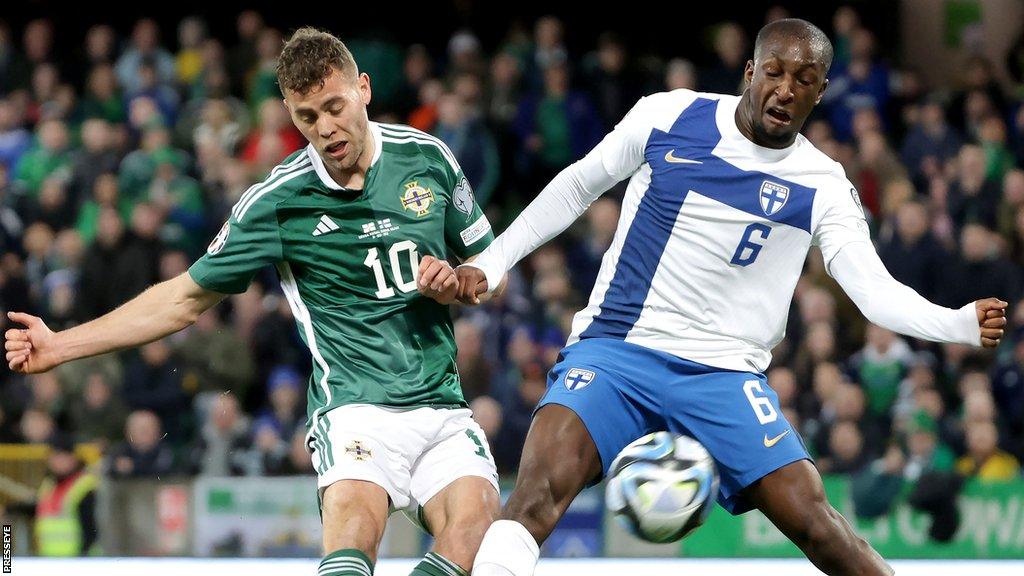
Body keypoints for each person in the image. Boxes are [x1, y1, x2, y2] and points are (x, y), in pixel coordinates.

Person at [456, 19, 1006, 576]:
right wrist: (495, 259)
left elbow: (871, 291)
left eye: (805, 80)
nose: (786, 90)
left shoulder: (824, 184)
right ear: (749, 73)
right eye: (775, 72)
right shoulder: (669, 115)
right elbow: (578, 185)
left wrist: (955, 324)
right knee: (531, 503)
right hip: (617, 349)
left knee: (820, 528)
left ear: (820, 93)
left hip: (724, 374)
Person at [6, 27, 504, 576]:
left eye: (335, 107)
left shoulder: (427, 157)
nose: (326, 129)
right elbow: (181, 300)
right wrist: (61, 345)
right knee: (354, 528)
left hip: (441, 403)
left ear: (363, 89)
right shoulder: (279, 200)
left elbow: (491, 272)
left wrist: (458, 282)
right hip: (356, 409)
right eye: (307, 117)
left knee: (479, 535)